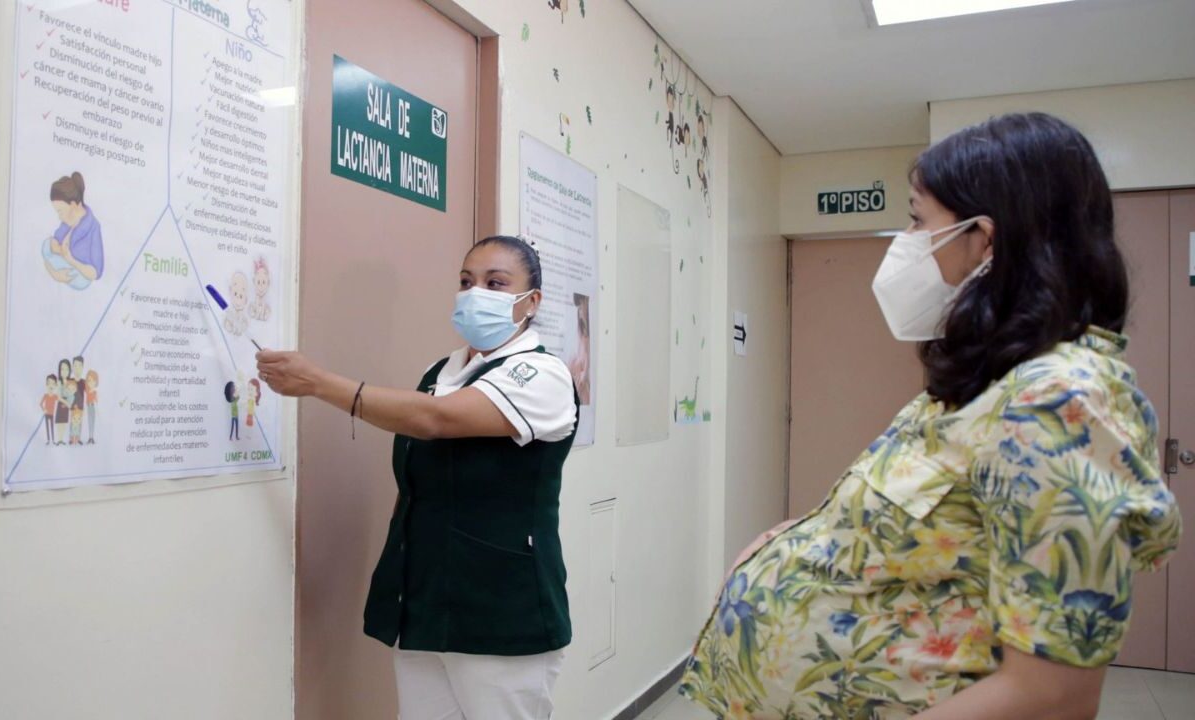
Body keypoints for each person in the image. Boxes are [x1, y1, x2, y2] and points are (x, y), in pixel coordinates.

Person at [681, 113, 1182, 720]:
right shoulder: (991, 380)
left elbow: (1054, 697)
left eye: (918, 219)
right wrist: (786, 546)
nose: (907, 239)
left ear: (986, 239)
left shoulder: (1058, 404)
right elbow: (940, 536)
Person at [256, 235, 579, 719]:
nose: (475, 294)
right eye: (467, 282)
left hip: (501, 612)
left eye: (496, 283)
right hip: (425, 604)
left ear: (532, 301)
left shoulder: (543, 375)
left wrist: (318, 383)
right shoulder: (440, 371)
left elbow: (436, 420)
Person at [42, 172, 103, 290]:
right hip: (58, 279)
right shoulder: (66, 222)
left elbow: (95, 273)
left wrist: (70, 259)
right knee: (46, 243)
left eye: (60, 211)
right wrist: (55, 274)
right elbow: (49, 251)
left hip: (79, 283)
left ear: (73, 205)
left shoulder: (93, 227)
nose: (59, 216)